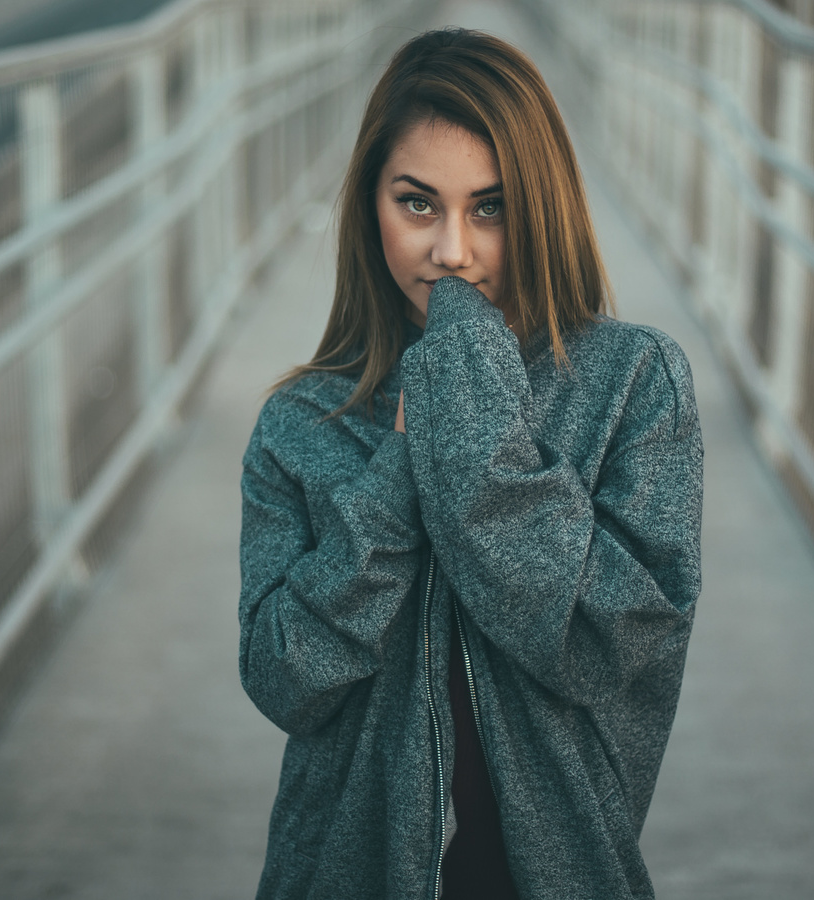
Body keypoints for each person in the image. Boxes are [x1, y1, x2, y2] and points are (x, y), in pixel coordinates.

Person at [238, 27, 704, 900]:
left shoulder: (634, 386)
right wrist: (398, 473)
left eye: (490, 208)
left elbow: (608, 649)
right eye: (418, 204)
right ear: (369, 205)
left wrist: (472, 440)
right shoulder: (299, 423)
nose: (452, 250)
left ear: (544, 206)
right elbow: (283, 680)